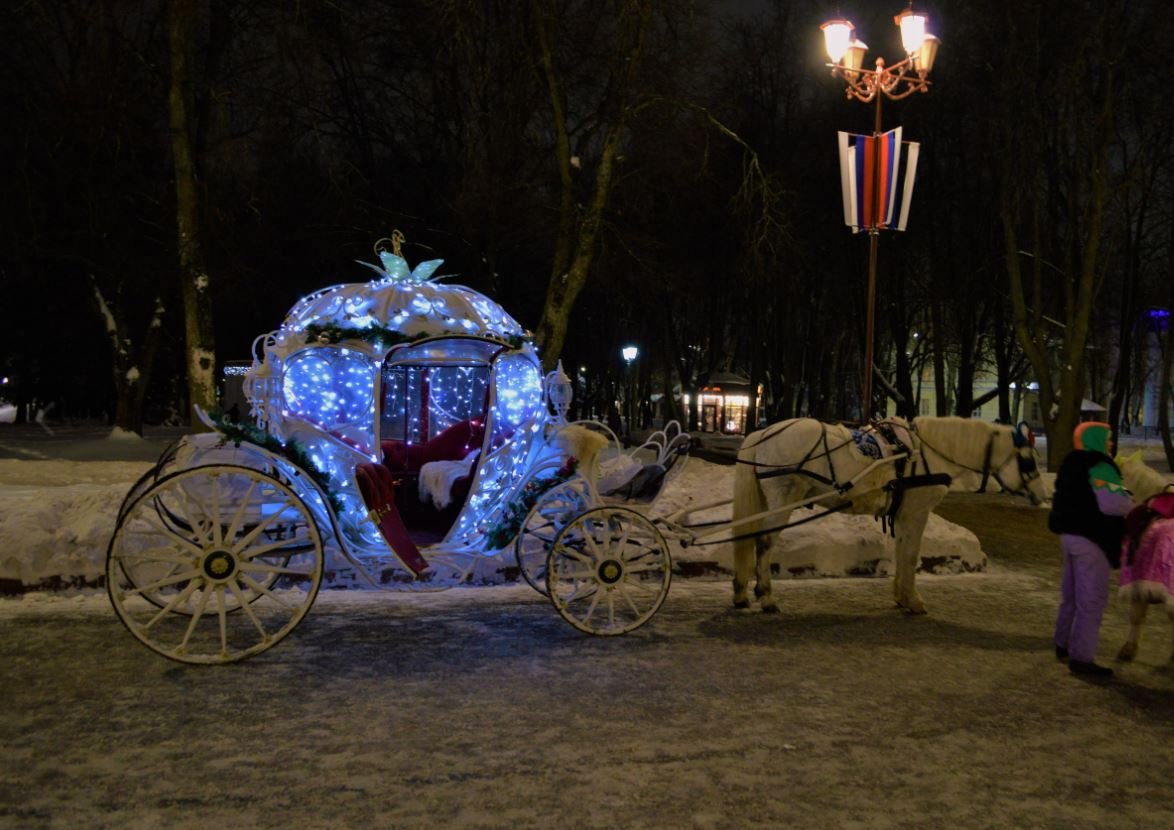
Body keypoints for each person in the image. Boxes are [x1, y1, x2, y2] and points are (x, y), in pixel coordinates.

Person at [1047, 421, 1134, 678]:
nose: (1111, 443)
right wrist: (1129, 497)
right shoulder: (1101, 466)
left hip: (1069, 536)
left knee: (1071, 595)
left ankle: (1062, 644)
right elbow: (1114, 504)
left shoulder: (1071, 463)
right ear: (1096, 440)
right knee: (1091, 600)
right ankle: (1082, 658)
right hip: (1093, 538)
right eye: (1107, 438)